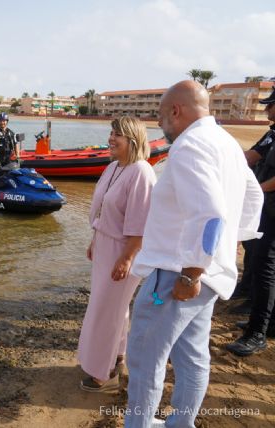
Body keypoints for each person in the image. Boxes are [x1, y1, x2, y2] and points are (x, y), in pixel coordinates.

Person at [124, 80, 263, 428]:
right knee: (192, 357)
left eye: (160, 115)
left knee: (144, 356)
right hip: (206, 272)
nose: (160, 124)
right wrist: (226, 246)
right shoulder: (227, 143)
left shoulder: (190, 145)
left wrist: (193, 271)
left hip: (177, 275)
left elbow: (210, 212)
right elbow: (253, 197)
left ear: (176, 110)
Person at [77, 117, 156, 392]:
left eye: (118, 135)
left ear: (132, 140)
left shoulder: (142, 173)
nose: (111, 139)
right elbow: (102, 210)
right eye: (111, 133)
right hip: (104, 244)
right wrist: (94, 238)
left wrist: (126, 258)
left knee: (105, 310)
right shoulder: (113, 167)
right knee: (114, 309)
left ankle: (103, 372)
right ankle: (117, 356)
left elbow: (141, 223)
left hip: (123, 250)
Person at [227, 87, 275, 355]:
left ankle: (257, 333)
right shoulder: (272, 134)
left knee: (266, 269)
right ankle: (266, 323)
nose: (267, 109)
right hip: (267, 211)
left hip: (271, 211)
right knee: (260, 265)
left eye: (271, 105)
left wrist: (255, 191)